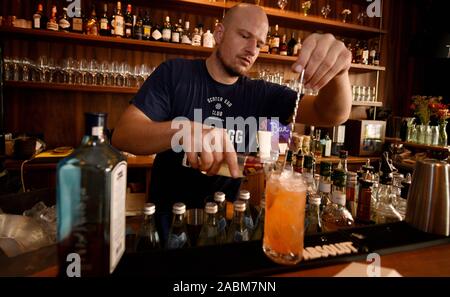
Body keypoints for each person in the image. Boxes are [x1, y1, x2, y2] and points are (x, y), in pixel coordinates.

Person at [112, 4, 352, 239]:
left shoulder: (263, 94)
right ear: (219, 34)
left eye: (259, 44)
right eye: (245, 36)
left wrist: (340, 74)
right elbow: (123, 134)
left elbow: (331, 114)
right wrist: (184, 130)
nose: (252, 49)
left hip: (226, 226)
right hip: (167, 223)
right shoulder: (175, 74)